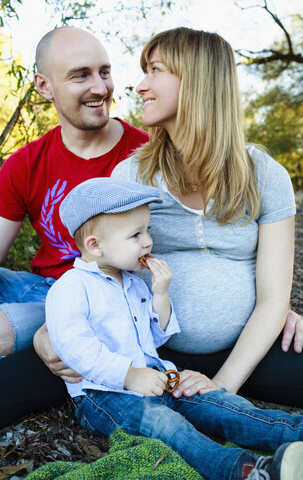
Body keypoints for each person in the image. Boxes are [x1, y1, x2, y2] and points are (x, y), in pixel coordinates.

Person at [45, 177, 303, 480]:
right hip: (103, 395)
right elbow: (76, 347)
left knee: (217, 405)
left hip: (154, 379)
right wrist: (130, 376)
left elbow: (156, 336)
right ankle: (245, 471)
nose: (148, 242)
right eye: (136, 235)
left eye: (147, 230)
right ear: (95, 245)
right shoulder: (71, 288)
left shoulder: (131, 283)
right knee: (166, 425)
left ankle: (293, 434)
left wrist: (160, 294)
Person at [111, 27, 303, 407]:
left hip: (248, 353)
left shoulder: (266, 175)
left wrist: (221, 387)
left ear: (197, 80)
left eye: (155, 70)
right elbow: (106, 277)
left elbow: (272, 299)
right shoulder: (130, 177)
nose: (140, 85)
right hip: (150, 356)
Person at [0, 26, 148, 435]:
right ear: (44, 85)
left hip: (100, 296)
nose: (100, 87)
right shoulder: (25, 164)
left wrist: (262, 304)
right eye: (81, 75)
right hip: (40, 287)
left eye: (105, 71)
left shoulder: (145, 156)